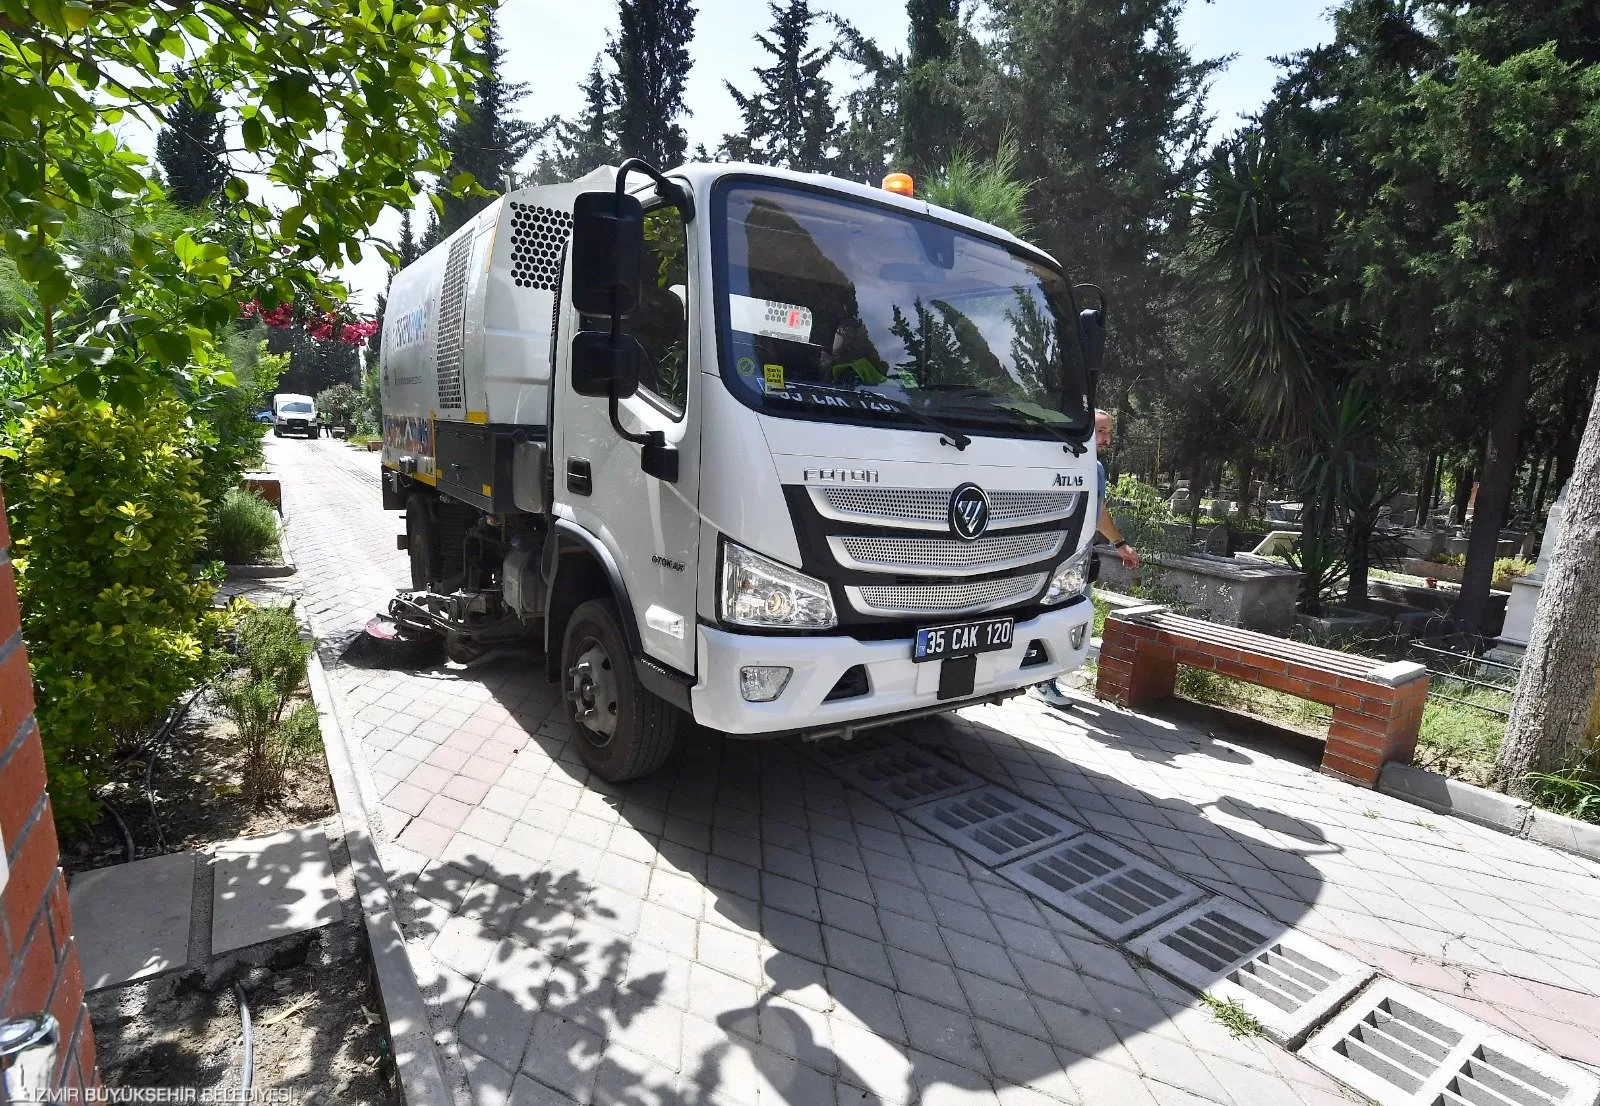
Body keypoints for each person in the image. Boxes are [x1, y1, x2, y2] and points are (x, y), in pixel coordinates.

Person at [1032, 409, 1138, 709]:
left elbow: (1098, 511)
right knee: (1057, 612)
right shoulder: (1058, 464)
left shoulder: (1097, 470)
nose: (1107, 439)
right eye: (1101, 431)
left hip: (1078, 556)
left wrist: (1120, 544)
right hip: (1054, 554)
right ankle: (1043, 681)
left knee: (1074, 615)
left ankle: (1045, 677)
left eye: (1109, 433)